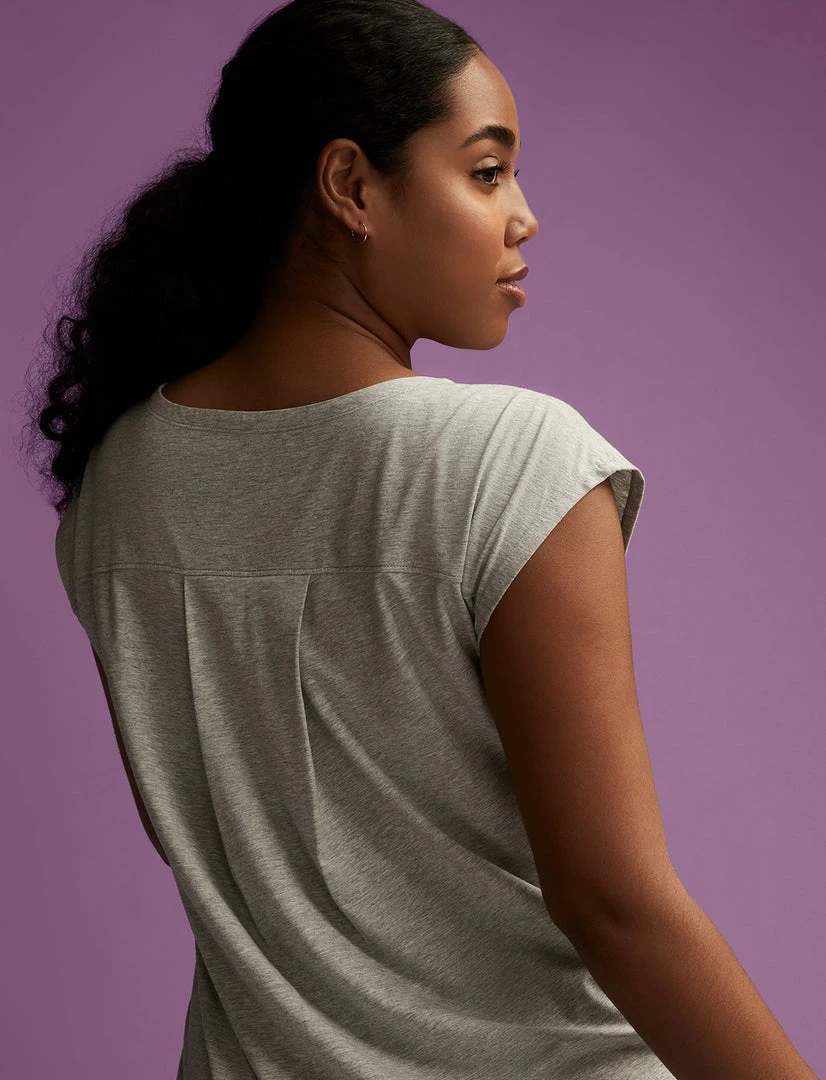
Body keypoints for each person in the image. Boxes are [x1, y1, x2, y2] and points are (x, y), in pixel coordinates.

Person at [22, 1, 818, 1078]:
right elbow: (613, 904)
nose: (523, 216)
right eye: (487, 172)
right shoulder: (511, 459)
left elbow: (226, 853)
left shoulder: (118, 483)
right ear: (350, 185)